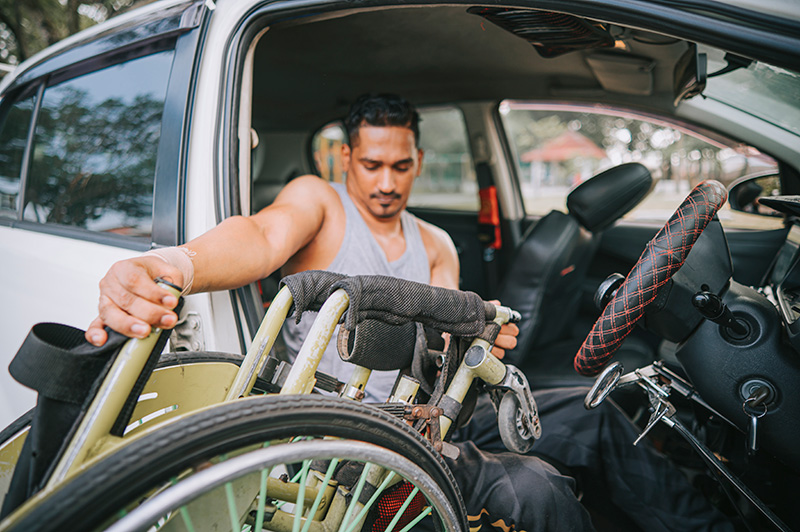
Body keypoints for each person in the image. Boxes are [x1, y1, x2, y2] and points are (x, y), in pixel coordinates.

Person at [87, 94, 731, 531]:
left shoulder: (437, 245)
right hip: (336, 426)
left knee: (593, 418)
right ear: (346, 161)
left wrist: (481, 350)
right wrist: (171, 266)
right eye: (371, 166)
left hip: (428, 417)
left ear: (417, 162)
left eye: (400, 166)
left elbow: (443, 360)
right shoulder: (320, 203)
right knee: (536, 488)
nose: (387, 183)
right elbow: (258, 237)